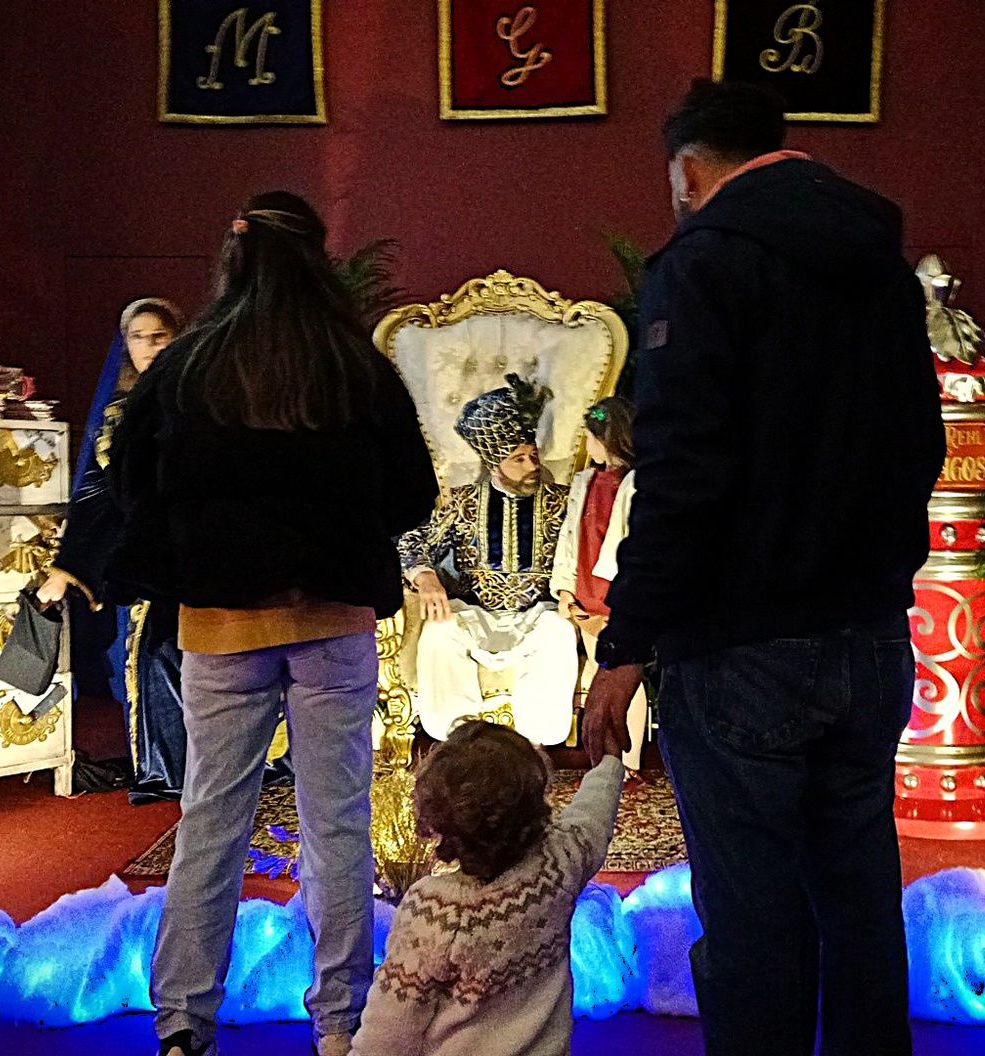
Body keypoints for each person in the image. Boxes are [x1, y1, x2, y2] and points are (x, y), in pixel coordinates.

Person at [581, 80, 946, 1056]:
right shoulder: (881, 264)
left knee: (752, 924)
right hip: (868, 637)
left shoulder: (702, 265)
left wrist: (624, 643)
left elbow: (682, 474)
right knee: (861, 906)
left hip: (739, 647)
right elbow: (923, 446)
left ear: (690, 172)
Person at [107, 189, 439, 1056]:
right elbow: (412, 493)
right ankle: (341, 1021)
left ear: (235, 257)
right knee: (338, 825)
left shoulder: (187, 365)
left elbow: (131, 482)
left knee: (211, 819)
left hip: (220, 623)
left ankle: (183, 1021)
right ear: (319, 261)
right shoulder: (355, 366)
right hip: (333, 618)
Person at [351, 720, 623, 1056]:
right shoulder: (558, 865)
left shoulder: (435, 910)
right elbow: (593, 815)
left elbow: (390, 1025)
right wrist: (609, 763)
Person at [40, 297, 192, 803]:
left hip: (205, 546)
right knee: (158, 656)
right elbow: (99, 492)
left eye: (160, 335)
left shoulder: (202, 396)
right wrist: (69, 564)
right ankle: (175, 767)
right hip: (155, 556)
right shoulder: (121, 413)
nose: (150, 346)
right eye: (139, 336)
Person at [398, 375, 578, 746]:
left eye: (533, 455)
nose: (531, 464)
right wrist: (425, 576)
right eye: (519, 458)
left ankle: (532, 747)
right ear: (495, 463)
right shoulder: (463, 501)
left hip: (539, 616)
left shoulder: (563, 501)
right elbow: (412, 540)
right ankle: (457, 741)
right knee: (439, 630)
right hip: (475, 615)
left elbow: (585, 549)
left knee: (558, 633)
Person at [550, 397, 646, 775]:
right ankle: (604, 761)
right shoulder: (585, 481)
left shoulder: (637, 483)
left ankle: (630, 761)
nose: (586, 446)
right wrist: (565, 588)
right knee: (597, 669)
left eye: (590, 437)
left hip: (616, 593)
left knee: (621, 674)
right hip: (587, 588)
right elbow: (572, 536)